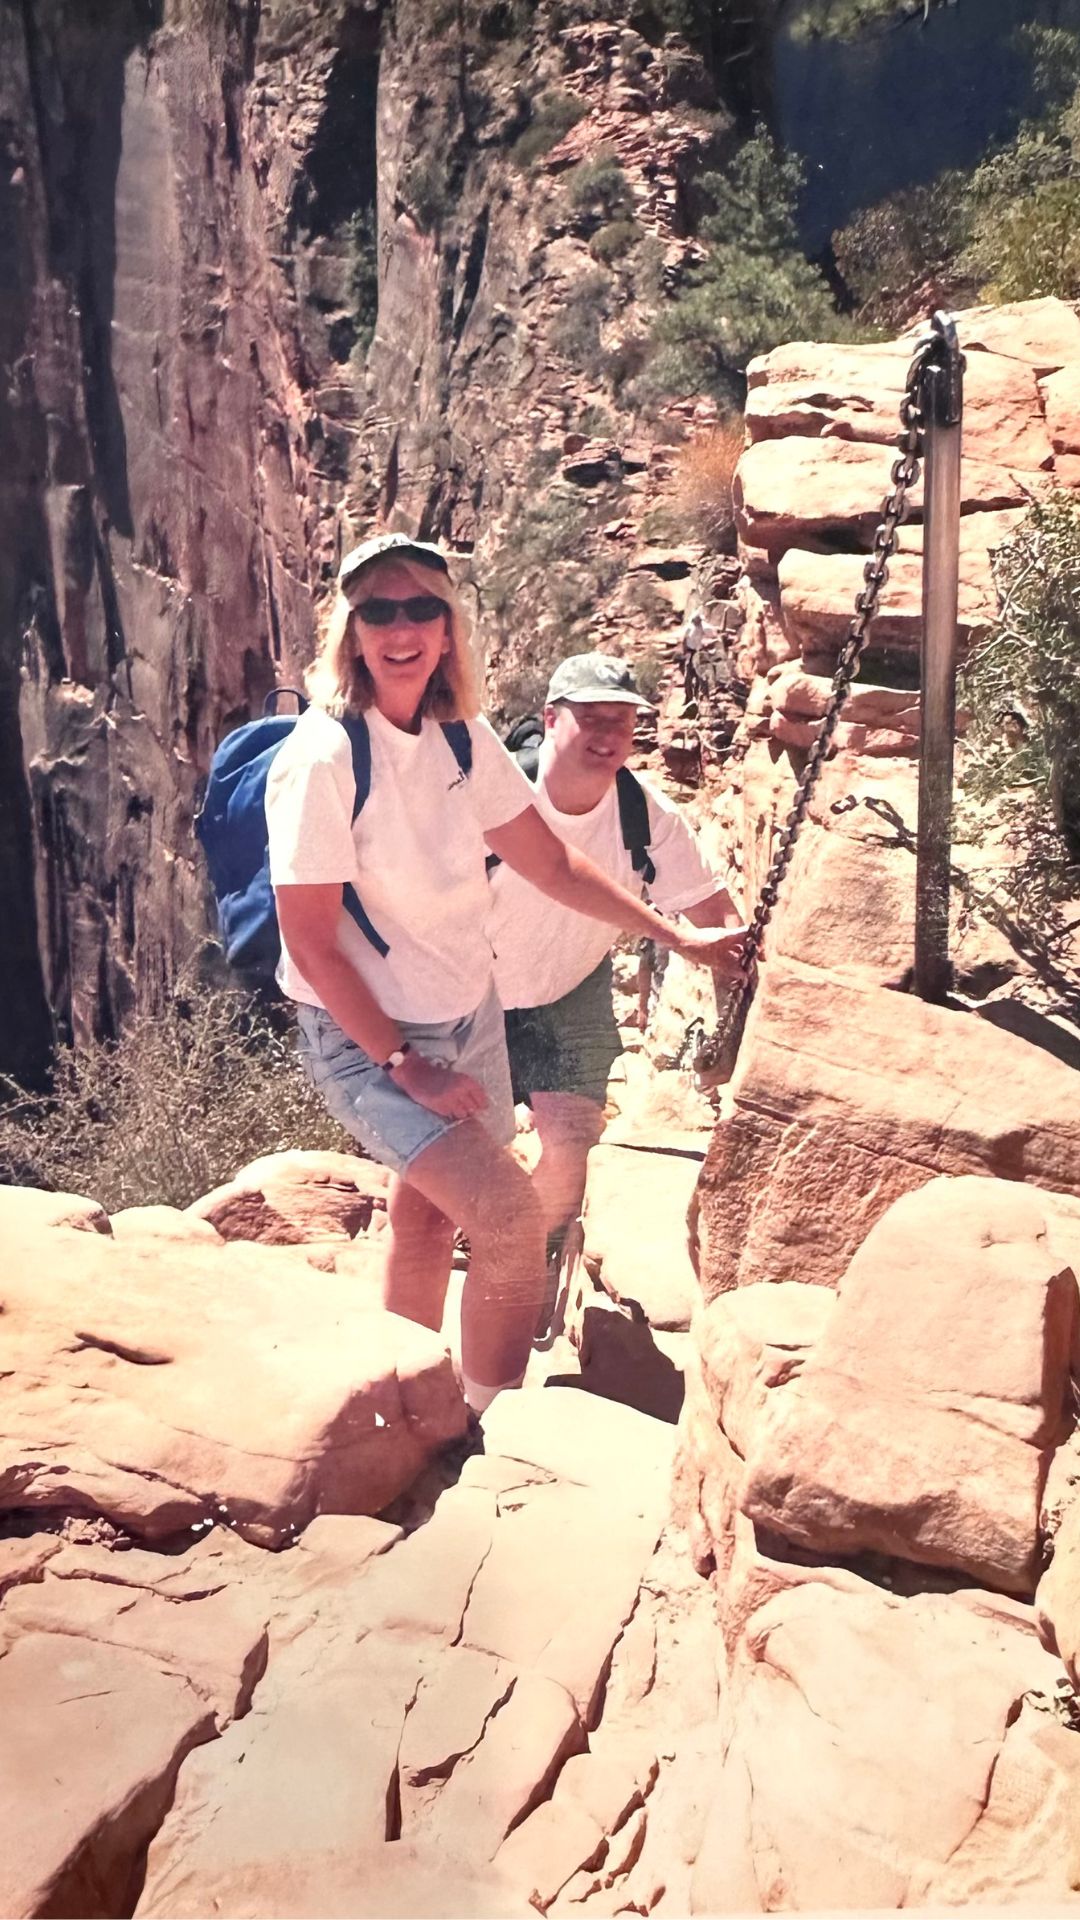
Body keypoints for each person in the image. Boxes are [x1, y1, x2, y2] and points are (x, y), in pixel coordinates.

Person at [265, 536, 744, 1415]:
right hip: (372, 1036)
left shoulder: (459, 736)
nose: (401, 628)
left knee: (427, 1215)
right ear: (352, 631)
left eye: (422, 609)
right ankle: (475, 1427)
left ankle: (400, 1400)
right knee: (513, 1221)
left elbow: (552, 866)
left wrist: (676, 935)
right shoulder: (322, 758)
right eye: (379, 610)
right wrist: (406, 1066)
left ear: (449, 630)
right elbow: (311, 945)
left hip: (466, 1010)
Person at [489, 651, 743, 1242]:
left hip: (569, 989)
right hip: (469, 998)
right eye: (592, 718)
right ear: (551, 719)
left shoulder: (645, 817)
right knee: (463, 1152)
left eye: (622, 721)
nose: (608, 735)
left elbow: (718, 921)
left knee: (573, 1141)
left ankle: (523, 1257)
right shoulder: (496, 797)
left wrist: (734, 1033)